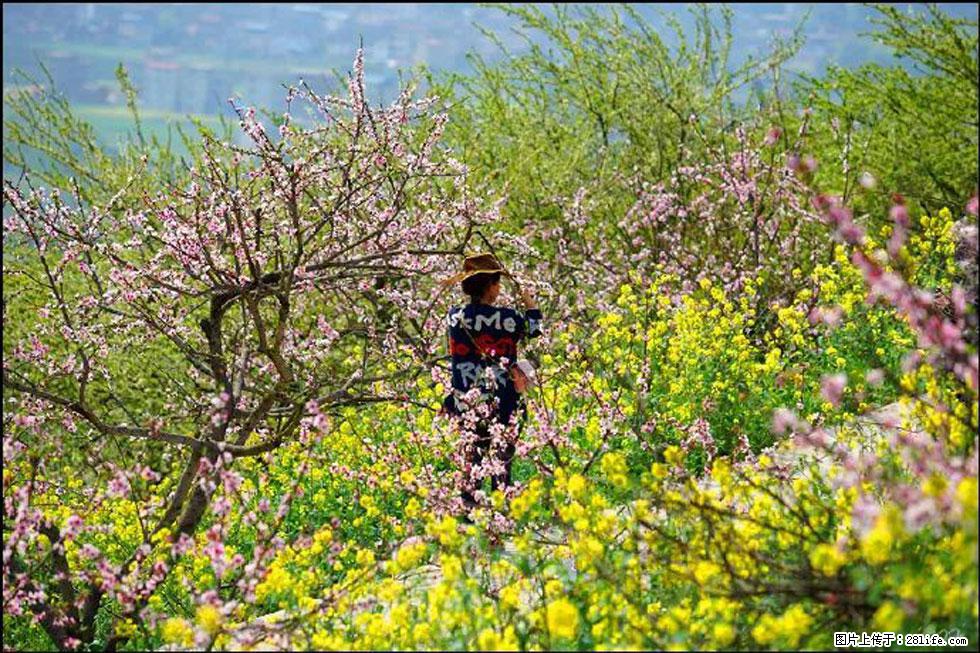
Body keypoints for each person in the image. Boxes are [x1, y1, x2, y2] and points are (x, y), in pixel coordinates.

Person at [438, 253, 543, 514]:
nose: (499, 289)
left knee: (471, 460)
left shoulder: (454, 316)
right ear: (489, 286)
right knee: (502, 462)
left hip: (466, 400)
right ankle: (500, 517)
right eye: (497, 283)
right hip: (503, 399)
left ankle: (466, 519)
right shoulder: (509, 318)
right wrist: (527, 299)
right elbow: (535, 329)